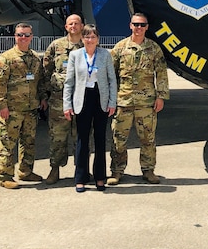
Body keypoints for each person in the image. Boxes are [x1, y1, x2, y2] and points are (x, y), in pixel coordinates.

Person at [108, 13, 169, 185]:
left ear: (147, 27)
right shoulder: (120, 48)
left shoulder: (154, 48)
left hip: (147, 102)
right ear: (130, 26)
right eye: (136, 24)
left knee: (148, 138)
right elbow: (110, 75)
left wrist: (161, 96)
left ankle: (148, 170)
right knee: (118, 138)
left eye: (142, 25)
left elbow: (161, 73)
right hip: (124, 101)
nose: (139, 28)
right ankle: (117, 171)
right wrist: (110, 98)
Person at [0, 22, 47, 189]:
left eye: (27, 35)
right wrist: (2, 106)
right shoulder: (7, 58)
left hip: (30, 109)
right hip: (12, 110)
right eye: (20, 35)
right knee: (8, 143)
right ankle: (5, 176)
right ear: (15, 37)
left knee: (28, 142)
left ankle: (25, 171)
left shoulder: (35, 58)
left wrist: (43, 98)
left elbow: (40, 81)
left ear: (31, 37)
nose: (23, 38)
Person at [64, 24, 117, 192]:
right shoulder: (75, 55)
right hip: (82, 98)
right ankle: (81, 177)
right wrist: (67, 105)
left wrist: (112, 102)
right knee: (82, 139)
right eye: (87, 37)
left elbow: (112, 80)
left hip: (100, 98)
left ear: (98, 39)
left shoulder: (105, 55)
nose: (90, 40)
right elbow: (69, 82)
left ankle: (100, 177)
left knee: (100, 139)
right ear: (82, 39)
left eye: (93, 37)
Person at [41, 13, 84, 185]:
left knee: (82, 136)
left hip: (81, 101)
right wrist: (44, 96)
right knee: (57, 137)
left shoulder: (87, 45)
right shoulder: (56, 46)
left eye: (76, 23)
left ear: (82, 26)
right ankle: (55, 169)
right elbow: (45, 72)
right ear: (66, 27)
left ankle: (81, 169)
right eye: (70, 24)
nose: (73, 26)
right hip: (58, 101)